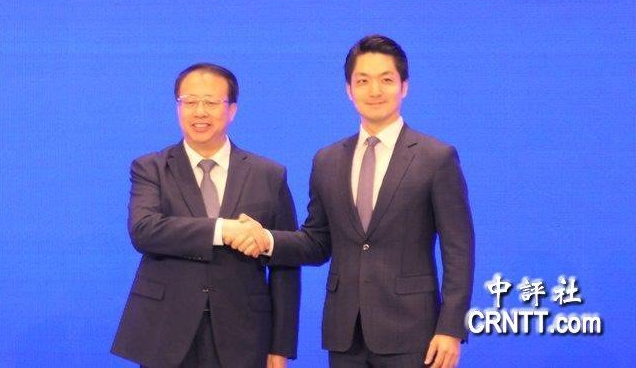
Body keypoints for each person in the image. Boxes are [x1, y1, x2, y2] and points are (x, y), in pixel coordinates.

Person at [231, 35, 475, 367]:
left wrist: (451, 328)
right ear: (349, 89)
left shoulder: (436, 157)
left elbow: (459, 249)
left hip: (413, 332)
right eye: (363, 81)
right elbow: (317, 242)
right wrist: (266, 239)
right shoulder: (327, 160)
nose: (374, 91)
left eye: (386, 80)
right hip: (345, 333)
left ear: (404, 86)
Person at [111, 63, 300, 368]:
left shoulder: (268, 174)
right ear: (178, 107)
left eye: (211, 102)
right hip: (166, 331)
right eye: (189, 101)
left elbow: (285, 264)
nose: (200, 111)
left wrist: (280, 347)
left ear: (232, 110)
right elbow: (144, 230)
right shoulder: (151, 168)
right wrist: (222, 230)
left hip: (244, 333)